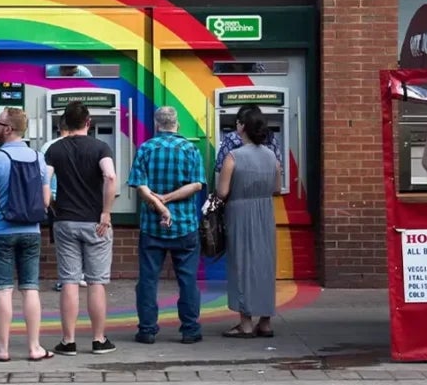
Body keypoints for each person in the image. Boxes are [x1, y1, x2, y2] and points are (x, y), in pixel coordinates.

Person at [0, 108, 54, 362]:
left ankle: (2, 349)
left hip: (1, 231)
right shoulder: (37, 156)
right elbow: (45, 200)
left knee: (3, 290)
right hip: (31, 231)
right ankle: (35, 348)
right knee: (30, 288)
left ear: (8, 128)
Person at [44, 100, 118, 356]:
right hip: (96, 223)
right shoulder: (101, 147)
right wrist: (106, 212)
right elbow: (110, 176)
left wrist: (52, 204)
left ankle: (68, 341)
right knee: (96, 282)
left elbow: (45, 181)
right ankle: (98, 340)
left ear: (65, 123)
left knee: (69, 282)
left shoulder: (55, 149)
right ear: (88, 122)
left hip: (65, 221)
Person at [128, 107, 206, 345]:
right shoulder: (191, 149)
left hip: (152, 226)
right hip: (185, 225)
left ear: (156, 124)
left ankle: (148, 330)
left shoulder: (146, 148)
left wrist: (159, 201)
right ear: (177, 124)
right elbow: (197, 185)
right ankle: (190, 330)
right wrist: (169, 199)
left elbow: (140, 187)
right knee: (188, 280)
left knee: (148, 280)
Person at [216, 105, 282, 338]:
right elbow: (276, 188)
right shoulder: (272, 156)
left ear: (241, 127)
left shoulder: (233, 157)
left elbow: (222, 192)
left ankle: (245, 323)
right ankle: (265, 322)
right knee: (265, 265)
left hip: (240, 213)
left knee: (241, 265)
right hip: (265, 212)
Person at [39, 122, 87, 292]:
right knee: (83, 236)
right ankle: (80, 275)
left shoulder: (48, 146)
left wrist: (49, 201)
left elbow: (43, 175)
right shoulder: (89, 145)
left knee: (63, 242)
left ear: (59, 127)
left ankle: (66, 279)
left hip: (57, 198)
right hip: (83, 199)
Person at [215, 106, 282, 176]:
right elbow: (278, 168)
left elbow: (220, 167)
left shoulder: (231, 138)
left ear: (241, 125)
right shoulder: (271, 139)